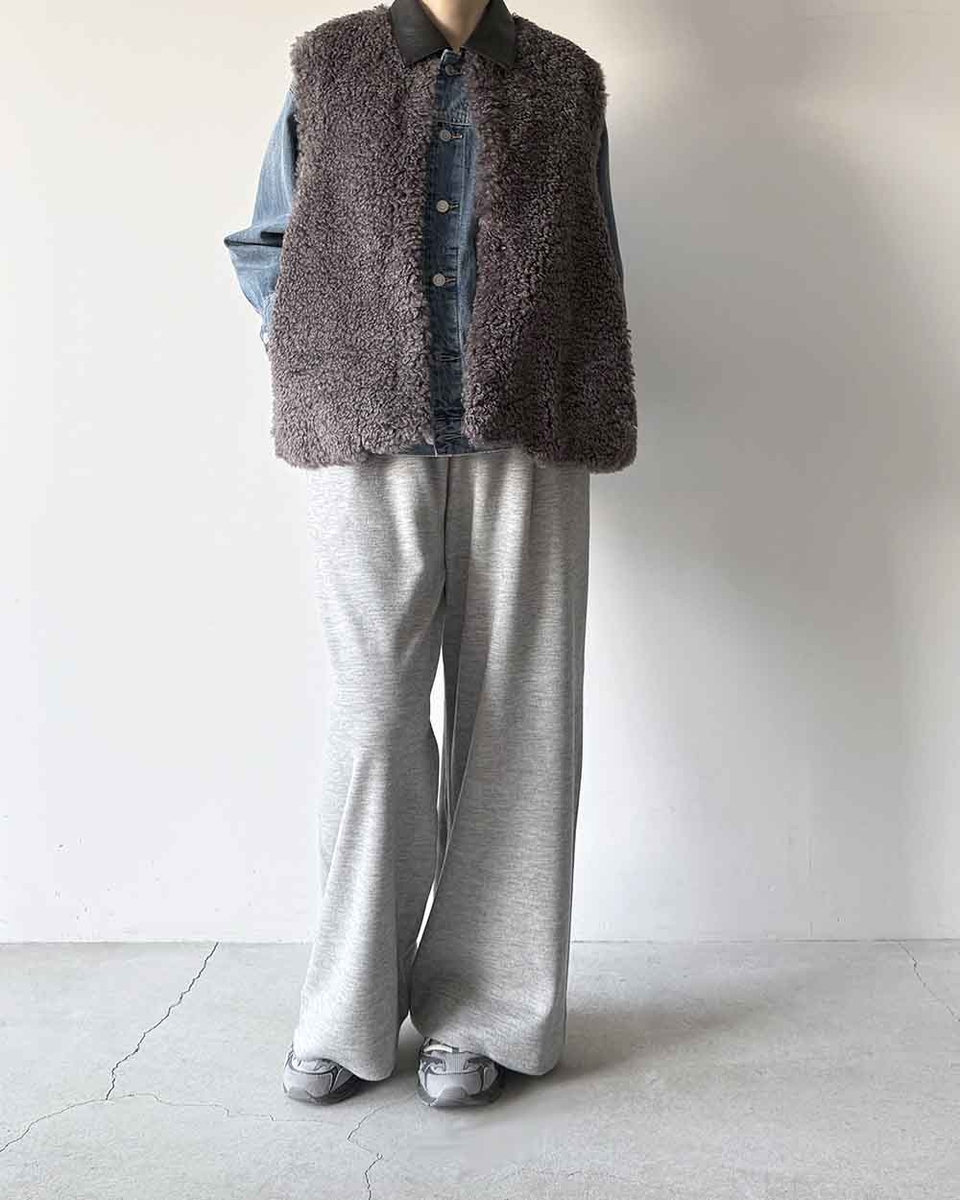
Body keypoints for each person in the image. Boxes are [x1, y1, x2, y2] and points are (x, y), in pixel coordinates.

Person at [223, 0, 637, 1110]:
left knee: (521, 718)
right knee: (372, 716)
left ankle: (486, 1014)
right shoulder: (332, 64)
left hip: (526, 434)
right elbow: (267, 242)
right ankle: (347, 1011)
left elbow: (591, 262)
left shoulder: (563, 78)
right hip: (366, 433)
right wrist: (320, 347)